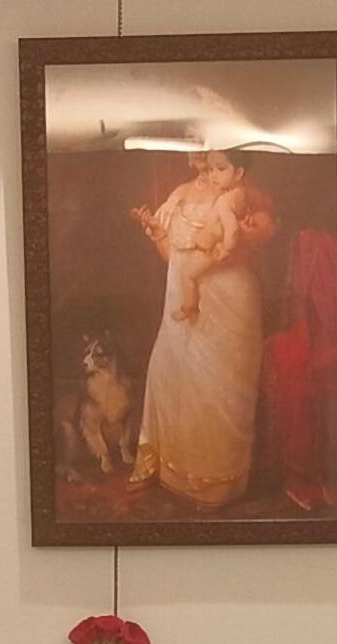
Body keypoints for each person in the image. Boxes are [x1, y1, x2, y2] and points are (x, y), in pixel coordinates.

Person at [129, 151, 275, 509]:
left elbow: (246, 244)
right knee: (172, 379)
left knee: (218, 390)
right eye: (202, 161)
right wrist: (158, 231)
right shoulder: (180, 193)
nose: (204, 167)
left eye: (215, 164)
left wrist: (239, 237)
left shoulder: (243, 195)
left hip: (228, 300)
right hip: (180, 297)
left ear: (236, 169)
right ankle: (172, 473)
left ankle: (215, 486)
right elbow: (174, 256)